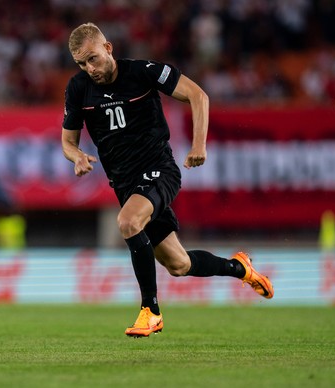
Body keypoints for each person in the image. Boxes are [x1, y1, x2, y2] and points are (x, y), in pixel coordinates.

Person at [61, 22, 274, 338]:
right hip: (125, 185)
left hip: (159, 169)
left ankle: (151, 312)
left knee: (128, 222)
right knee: (179, 265)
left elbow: (198, 95)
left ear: (108, 48)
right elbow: (68, 141)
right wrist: (77, 156)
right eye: (81, 62)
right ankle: (239, 267)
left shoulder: (144, 72)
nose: (89, 68)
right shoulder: (79, 88)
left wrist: (199, 144)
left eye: (92, 58)